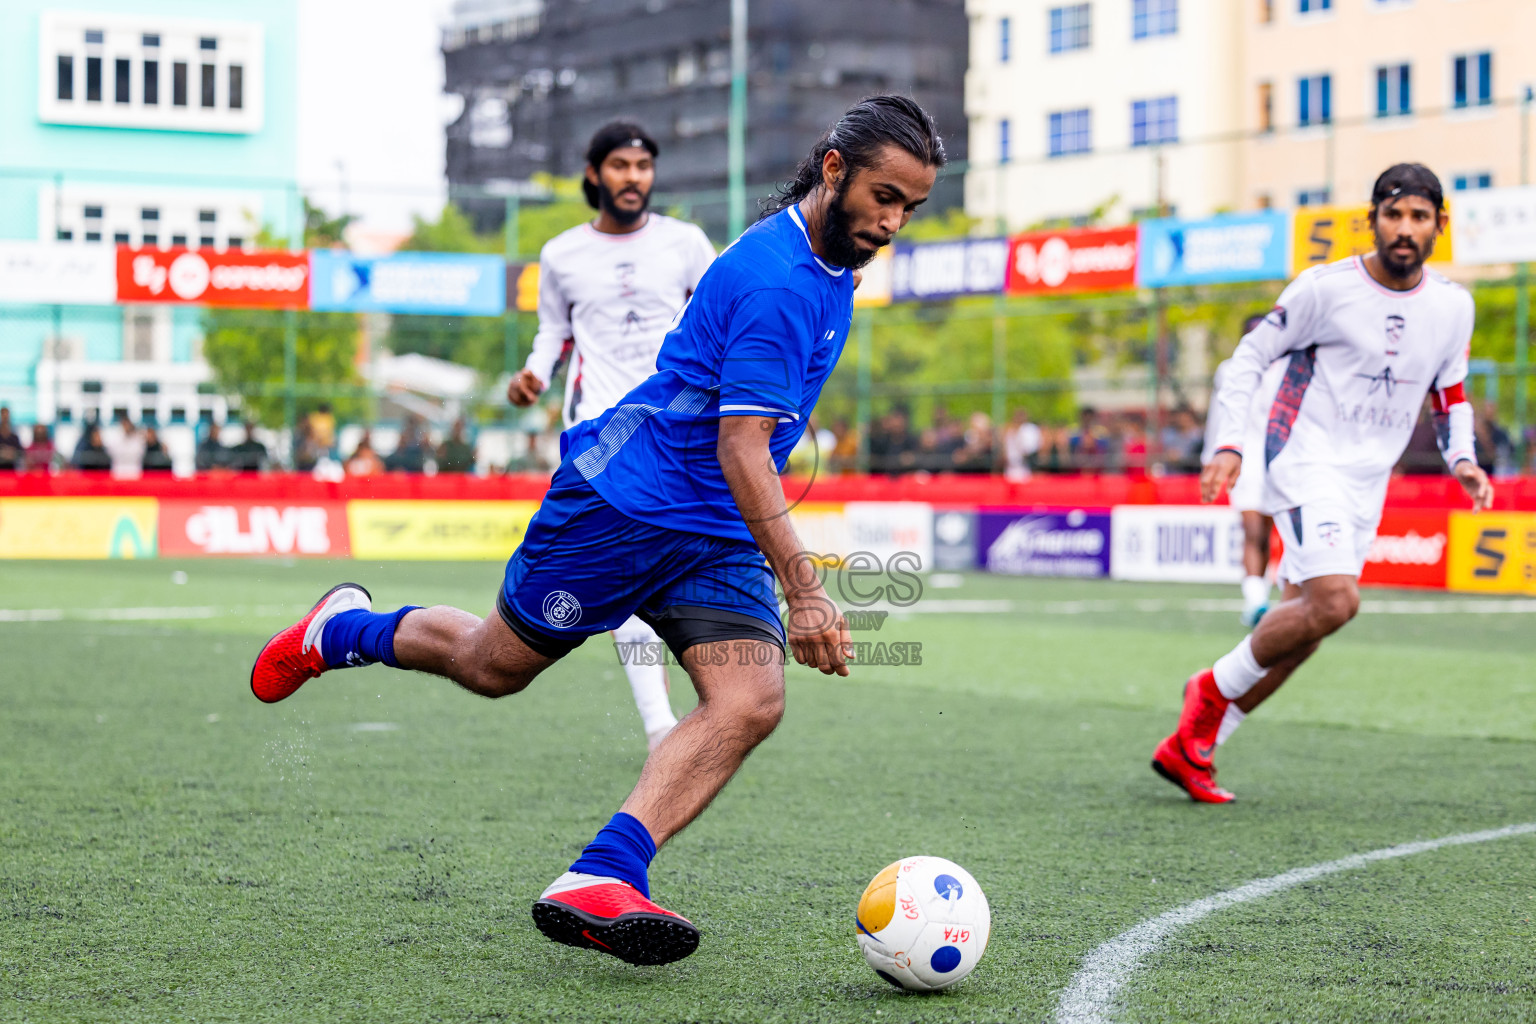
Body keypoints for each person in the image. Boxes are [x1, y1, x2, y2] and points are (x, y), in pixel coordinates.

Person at [250, 95, 944, 965]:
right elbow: (742, 444)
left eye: (908, 208)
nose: (892, 222)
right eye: (884, 196)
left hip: (713, 529)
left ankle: (604, 872)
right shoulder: (777, 278)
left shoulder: (829, 261)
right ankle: (338, 631)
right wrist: (807, 591)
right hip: (623, 503)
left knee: (750, 699)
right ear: (834, 169)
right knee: (492, 667)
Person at [1152, 163, 1494, 805]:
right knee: (1337, 601)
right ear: (1372, 220)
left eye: (1419, 217)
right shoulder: (1325, 289)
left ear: (1439, 227)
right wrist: (1228, 443)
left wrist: (1464, 460)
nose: (1404, 228)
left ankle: (1192, 748)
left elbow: (1451, 395)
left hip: (1368, 477)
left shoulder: (1453, 306)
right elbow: (1248, 358)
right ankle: (1211, 690)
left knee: (1307, 624)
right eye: (1393, 214)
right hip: (1304, 457)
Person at [505, 120, 717, 752]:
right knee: (620, 563)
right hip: (599, 424)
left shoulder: (686, 242)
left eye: (644, 166)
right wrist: (535, 374)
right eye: (621, 166)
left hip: (677, 423)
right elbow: (552, 331)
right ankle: (659, 725)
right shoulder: (561, 253)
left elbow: (719, 311)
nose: (634, 177)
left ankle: (699, 710)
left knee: (674, 561)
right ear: (595, 173)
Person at [1204, 314, 1287, 627]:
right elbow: (1220, 415)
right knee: (1253, 531)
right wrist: (1212, 455)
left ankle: (1269, 596)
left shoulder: (1288, 370)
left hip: (1283, 458)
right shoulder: (1231, 370)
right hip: (1245, 458)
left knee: (1271, 533)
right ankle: (1255, 602)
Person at [1003, 408, 1042, 481]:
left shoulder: (1029, 430)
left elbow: (1029, 449)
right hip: (1010, 468)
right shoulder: (1009, 430)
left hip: (1024, 467)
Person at [104, 413, 146, 478]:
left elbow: (138, 453)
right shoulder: (115, 436)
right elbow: (111, 452)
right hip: (118, 471)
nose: (126, 427)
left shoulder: (138, 438)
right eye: (124, 424)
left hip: (134, 472)